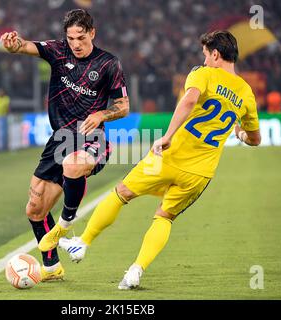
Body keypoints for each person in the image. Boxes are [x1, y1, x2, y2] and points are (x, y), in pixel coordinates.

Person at [60, 30, 261, 289]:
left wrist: (166, 135)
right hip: (201, 172)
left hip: (167, 156)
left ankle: (82, 243)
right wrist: (240, 133)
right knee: (164, 217)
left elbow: (189, 100)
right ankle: (135, 271)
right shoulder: (246, 93)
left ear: (215, 54)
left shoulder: (202, 73)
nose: (205, 60)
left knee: (121, 193)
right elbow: (255, 139)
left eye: (206, 55)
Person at [0, 9, 129, 281]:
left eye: (81, 37)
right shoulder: (58, 51)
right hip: (59, 139)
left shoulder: (109, 64)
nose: (76, 44)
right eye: (71, 38)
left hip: (92, 137)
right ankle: (51, 267)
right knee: (34, 210)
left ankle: (65, 225)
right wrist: (14, 45)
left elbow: (123, 106)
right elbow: (25, 46)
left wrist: (101, 114)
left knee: (73, 164)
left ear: (92, 33)